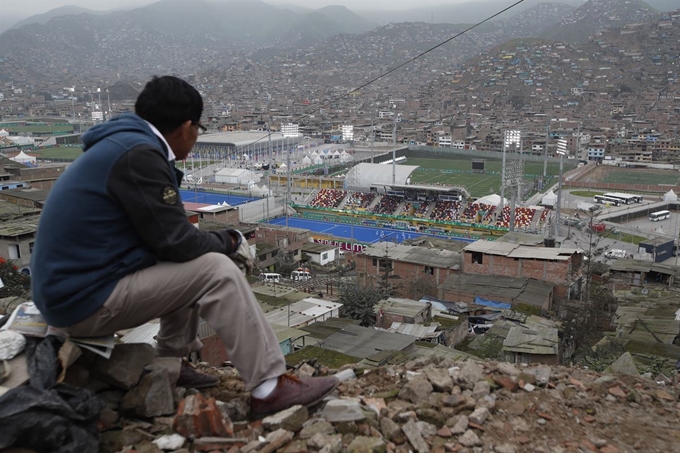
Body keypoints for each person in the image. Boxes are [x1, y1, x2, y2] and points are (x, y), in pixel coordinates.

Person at [30, 76, 337, 419]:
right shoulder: (138, 155)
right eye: (198, 129)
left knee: (194, 262)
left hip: (73, 293)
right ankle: (269, 387)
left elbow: (168, 240)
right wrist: (232, 241)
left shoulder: (127, 146)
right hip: (82, 302)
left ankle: (171, 362)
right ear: (187, 126)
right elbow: (177, 242)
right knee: (216, 270)